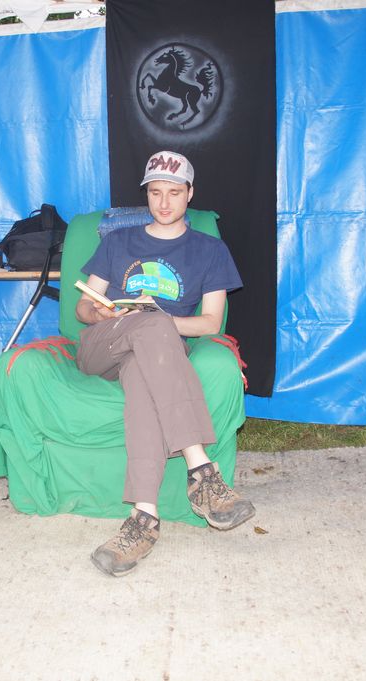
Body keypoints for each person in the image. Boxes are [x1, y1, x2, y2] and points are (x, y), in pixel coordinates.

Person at [75, 150, 255, 577]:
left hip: (156, 354)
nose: (164, 202)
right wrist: (101, 313)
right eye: (155, 192)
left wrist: (157, 321)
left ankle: (144, 518)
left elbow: (210, 323)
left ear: (190, 193)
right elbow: (83, 306)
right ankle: (201, 471)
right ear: (147, 194)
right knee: (152, 325)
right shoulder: (117, 241)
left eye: (174, 192)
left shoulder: (209, 250)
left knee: (147, 365)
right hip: (104, 344)